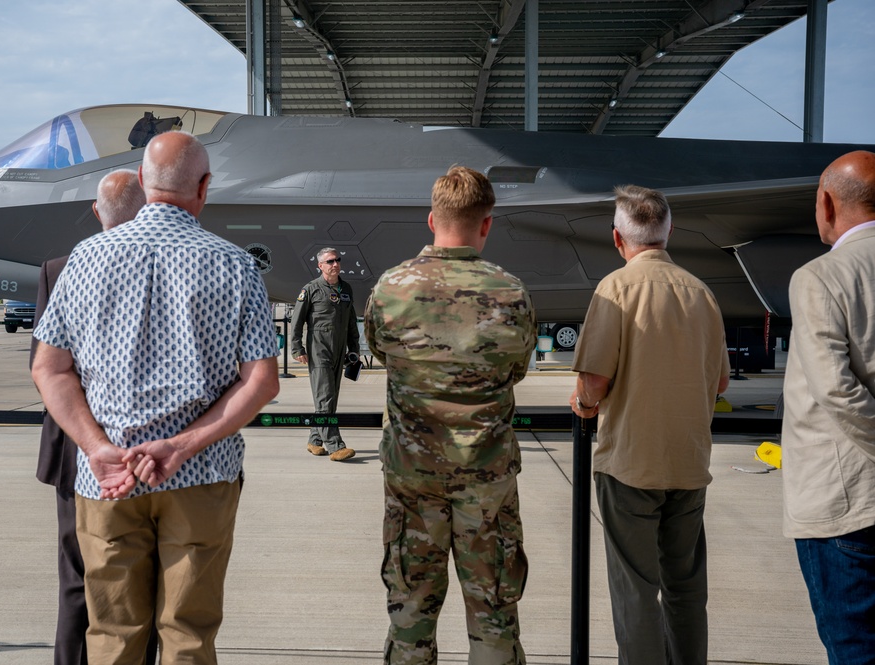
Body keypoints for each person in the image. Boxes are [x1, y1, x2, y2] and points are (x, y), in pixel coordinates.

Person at [31, 131, 280, 664]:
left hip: (108, 479)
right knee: (188, 635)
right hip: (202, 476)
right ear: (205, 187)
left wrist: (95, 447)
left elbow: (49, 368)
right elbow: (261, 380)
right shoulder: (235, 264)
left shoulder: (86, 258)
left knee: (113, 634)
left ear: (142, 182)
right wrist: (185, 445)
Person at [364, 165, 537, 664]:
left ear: (431, 219)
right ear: (487, 223)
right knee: (494, 617)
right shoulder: (510, 293)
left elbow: (383, 353)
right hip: (487, 483)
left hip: (412, 479)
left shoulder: (391, 287)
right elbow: (517, 369)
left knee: (411, 615)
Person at [569, 184, 730, 665]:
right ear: (669, 233)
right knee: (685, 588)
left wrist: (583, 402)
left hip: (630, 466)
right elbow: (720, 383)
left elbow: (593, 380)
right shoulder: (702, 293)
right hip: (688, 464)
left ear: (618, 239)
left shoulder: (615, 288)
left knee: (636, 590)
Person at [30, 169, 153, 665]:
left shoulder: (60, 268)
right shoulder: (164, 264)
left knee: (77, 583)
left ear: (98, 212)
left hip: (75, 449)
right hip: (147, 451)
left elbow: (44, 368)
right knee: (143, 584)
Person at [781, 150, 875, 665]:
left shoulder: (821, 276)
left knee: (854, 649)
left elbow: (836, 390)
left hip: (846, 504)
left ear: (827, 202)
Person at [290, 246, 360, 461]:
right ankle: (335, 445)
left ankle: (315, 440)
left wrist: (354, 349)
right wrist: (296, 348)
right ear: (320, 266)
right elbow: (297, 321)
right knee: (325, 397)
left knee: (329, 398)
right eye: (329, 261)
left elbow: (350, 322)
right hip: (318, 349)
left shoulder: (346, 288)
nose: (335, 264)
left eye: (337, 260)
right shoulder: (311, 289)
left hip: (339, 349)